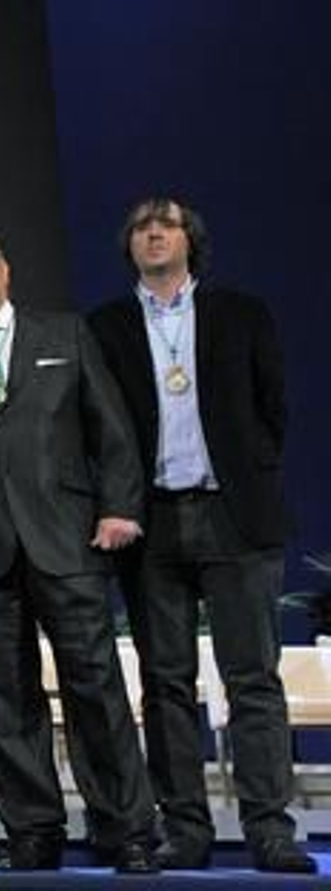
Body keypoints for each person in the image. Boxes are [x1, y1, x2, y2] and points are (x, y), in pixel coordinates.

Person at [87, 197, 315, 874]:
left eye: (169, 223)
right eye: (140, 226)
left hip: (232, 515)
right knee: (165, 682)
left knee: (252, 679)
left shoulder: (241, 314)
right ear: (129, 245)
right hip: (149, 520)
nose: (154, 232)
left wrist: (243, 476)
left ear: (191, 240)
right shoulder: (104, 326)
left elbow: (272, 409)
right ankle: (184, 827)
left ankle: (269, 827)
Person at [0, 229, 158, 873]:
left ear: (4, 269)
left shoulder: (65, 335)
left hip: (66, 538)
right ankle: (33, 830)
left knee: (96, 688)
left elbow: (111, 429)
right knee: (2, 696)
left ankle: (127, 829)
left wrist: (118, 507)